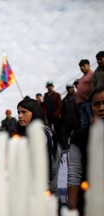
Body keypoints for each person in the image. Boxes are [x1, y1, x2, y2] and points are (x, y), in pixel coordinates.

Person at [68, 87, 104, 216]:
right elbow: (74, 171)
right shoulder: (80, 136)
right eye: (96, 104)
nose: (101, 108)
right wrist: (72, 205)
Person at [17, 98, 61, 194]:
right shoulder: (34, 132)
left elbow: (43, 165)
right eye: (18, 112)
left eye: (24, 112)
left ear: (34, 113)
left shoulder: (40, 132)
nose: (20, 116)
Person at [43, 81, 62, 147]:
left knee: (58, 131)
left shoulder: (57, 95)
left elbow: (60, 106)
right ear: (47, 87)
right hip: (48, 117)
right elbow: (44, 106)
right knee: (50, 132)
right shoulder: (45, 96)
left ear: (53, 86)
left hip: (56, 117)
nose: (49, 87)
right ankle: (54, 145)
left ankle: (62, 146)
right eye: (48, 86)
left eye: (51, 85)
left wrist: (56, 113)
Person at [60, 84, 79, 149]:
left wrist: (78, 119)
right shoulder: (65, 99)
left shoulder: (77, 96)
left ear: (73, 88)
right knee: (63, 134)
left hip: (77, 119)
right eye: (67, 88)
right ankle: (67, 149)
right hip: (67, 120)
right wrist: (64, 118)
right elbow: (62, 111)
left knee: (78, 134)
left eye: (70, 88)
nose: (69, 89)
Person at [76, 59, 93, 128]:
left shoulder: (92, 74)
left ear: (88, 65)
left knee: (92, 122)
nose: (81, 68)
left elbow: (95, 87)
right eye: (80, 66)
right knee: (85, 124)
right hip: (81, 104)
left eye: (83, 65)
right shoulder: (81, 78)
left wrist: (89, 97)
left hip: (89, 102)